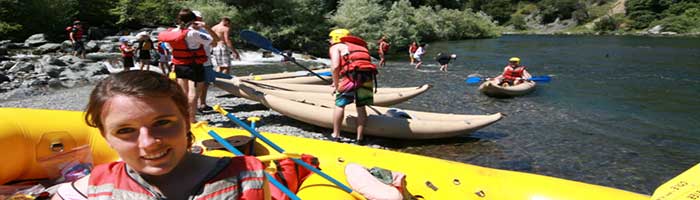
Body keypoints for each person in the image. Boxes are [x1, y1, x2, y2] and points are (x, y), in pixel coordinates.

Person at [50, 70, 266, 200]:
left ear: (186, 119)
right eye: (125, 130)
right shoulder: (84, 192)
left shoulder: (247, 177)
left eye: (162, 123)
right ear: (106, 136)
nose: (149, 143)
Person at [158, 8, 213, 123]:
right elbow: (214, 41)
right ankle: (192, 119)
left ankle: (183, 118)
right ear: (193, 20)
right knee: (193, 93)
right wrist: (205, 27)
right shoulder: (193, 33)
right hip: (194, 65)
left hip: (179, 64)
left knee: (183, 92)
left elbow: (169, 48)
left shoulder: (173, 33)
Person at [328, 28, 377, 145]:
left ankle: (336, 135)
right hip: (367, 77)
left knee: (340, 105)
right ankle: (359, 138)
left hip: (350, 78)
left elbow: (335, 66)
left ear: (336, 37)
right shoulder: (361, 47)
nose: (329, 41)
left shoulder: (336, 46)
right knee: (361, 107)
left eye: (330, 38)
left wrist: (335, 84)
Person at [191, 10, 220, 113]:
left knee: (206, 83)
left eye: (200, 19)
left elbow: (215, 44)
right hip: (195, 62)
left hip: (206, 60)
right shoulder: (190, 31)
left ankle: (202, 104)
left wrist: (206, 28)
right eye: (197, 19)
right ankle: (193, 108)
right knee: (196, 85)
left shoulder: (204, 31)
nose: (199, 21)